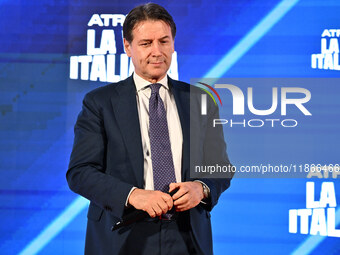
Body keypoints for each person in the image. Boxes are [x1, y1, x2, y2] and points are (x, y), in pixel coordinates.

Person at [67, 3, 232, 255]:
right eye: (146, 43)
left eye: (164, 41)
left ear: (173, 44)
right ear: (127, 46)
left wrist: (201, 188)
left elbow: (220, 166)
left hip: (187, 237)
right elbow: (80, 172)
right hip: (122, 235)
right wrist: (133, 195)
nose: (157, 51)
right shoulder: (99, 103)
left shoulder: (200, 100)